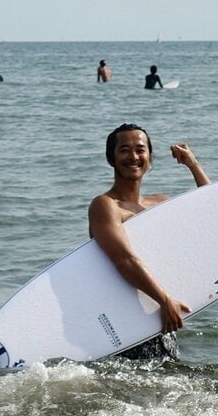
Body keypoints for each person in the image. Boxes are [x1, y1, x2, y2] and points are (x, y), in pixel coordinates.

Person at [88, 123, 211, 359]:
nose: (133, 157)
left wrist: (193, 165)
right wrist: (164, 300)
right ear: (110, 158)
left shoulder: (161, 204)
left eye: (140, 149)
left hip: (158, 317)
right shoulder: (105, 206)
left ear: (150, 157)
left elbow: (211, 213)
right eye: (124, 150)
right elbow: (124, 260)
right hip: (126, 321)